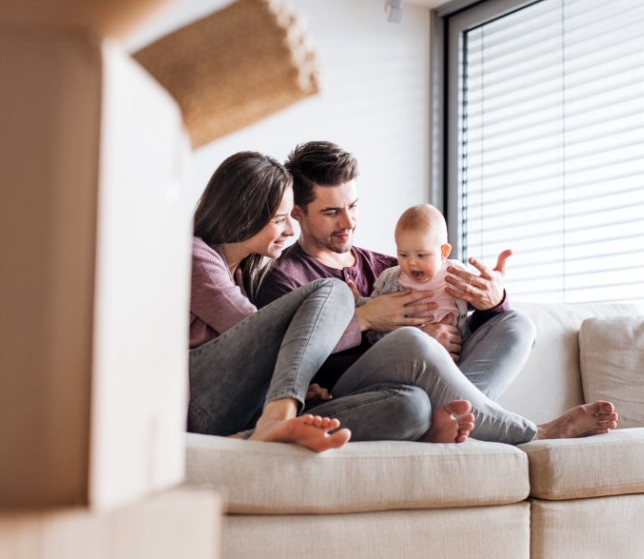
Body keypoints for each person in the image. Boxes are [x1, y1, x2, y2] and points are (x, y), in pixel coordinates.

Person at [254, 141, 619, 444]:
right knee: (412, 351)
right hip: (357, 392)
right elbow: (291, 362)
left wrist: (492, 301)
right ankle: (534, 432)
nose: (349, 222)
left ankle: (450, 419)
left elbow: (461, 306)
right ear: (298, 213)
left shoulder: (391, 264)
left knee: (516, 325)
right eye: (332, 211)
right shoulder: (285, 279)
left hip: (424, 383)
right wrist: (367, 323)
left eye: (352, 206)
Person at [188, 152, 446, 451]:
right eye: (280, 220)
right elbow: (259, 334)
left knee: (410, 406)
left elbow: (259, 355)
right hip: (199, 406)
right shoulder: (195, 255)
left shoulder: (245, 275)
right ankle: (277, 415)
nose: (289, 230)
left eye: (353, 206)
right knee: (332, 290)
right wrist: (363, 319)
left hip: (238, 411)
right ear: (244, 215)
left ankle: (258, 432)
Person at [363, 204, 469, 341]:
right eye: (403, 255)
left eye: (421, 255)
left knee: (505, 322)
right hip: (407, 350)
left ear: (443, 252)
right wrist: (358, 301)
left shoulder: (456, 273)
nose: (411, 262)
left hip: (456, 346)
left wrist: (491, 292)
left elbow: (477, 298)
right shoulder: (391, 278)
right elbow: (373, 307)